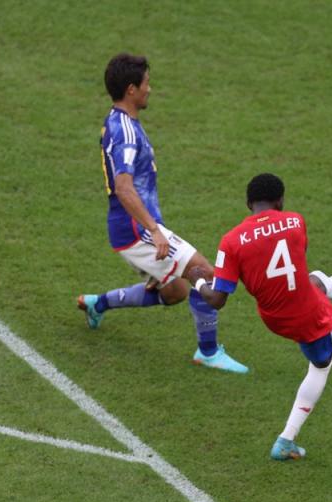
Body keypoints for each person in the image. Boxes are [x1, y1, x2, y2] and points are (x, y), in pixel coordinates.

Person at [189, 173, 332, 461]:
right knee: (322, 364)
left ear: (249, 203)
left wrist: (197, 280)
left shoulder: (231, 242)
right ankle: (286, 439)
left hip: (274, 316)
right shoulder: (296, 221)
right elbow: (294, 260)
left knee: (317, 281)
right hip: (306, 314)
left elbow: (218, 300)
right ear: (281, 200)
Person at [76, 53, 247, 373]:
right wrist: (154, 230)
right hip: (135, 227)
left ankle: (99, 303)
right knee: (205, 274)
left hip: (132, 226)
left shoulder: (119, 122)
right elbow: (124, 187)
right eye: (146, 83)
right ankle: (207, 352)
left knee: (175, 292)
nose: (150, 89)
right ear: (131, 89)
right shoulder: (124, 130)